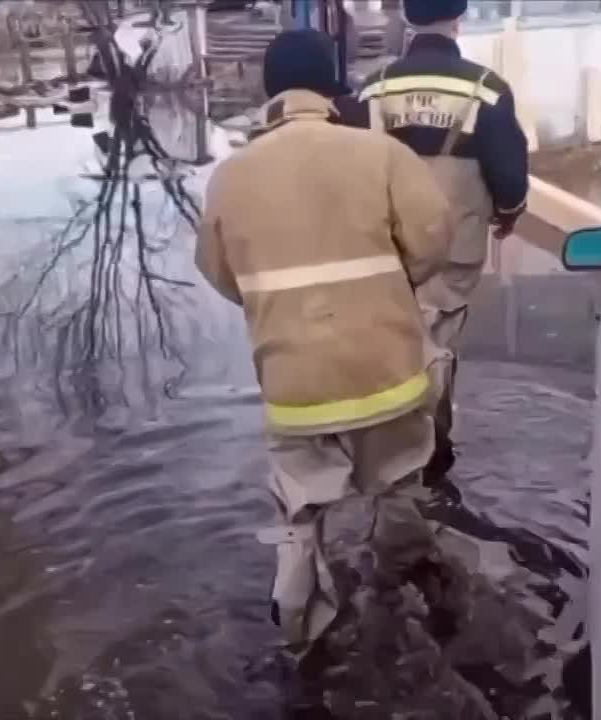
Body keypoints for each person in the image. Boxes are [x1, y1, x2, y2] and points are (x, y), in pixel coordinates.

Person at [194, 29, 454, 655]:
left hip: (296, 392)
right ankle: (411, 603)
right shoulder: (380, 154)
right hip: (388, 372)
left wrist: (277, 304)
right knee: (397, 484)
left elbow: (219, 272)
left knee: (301, 516)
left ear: (269, 94)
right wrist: (387, 290)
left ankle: (300, 630)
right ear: (333, 90)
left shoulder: (230, 176)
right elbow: (432, 238)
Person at [354, 0, 530, 481]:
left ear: (409, 20)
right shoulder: (486, 91)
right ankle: (429, 454)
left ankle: (384, 447)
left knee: (389, 340)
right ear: (458, 20)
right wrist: (508, 215)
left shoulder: (375, 87)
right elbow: (510, 176)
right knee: (436, 344)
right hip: (453, 242)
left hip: (382, 243)